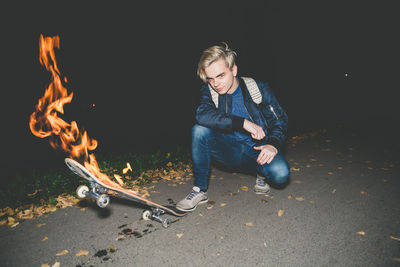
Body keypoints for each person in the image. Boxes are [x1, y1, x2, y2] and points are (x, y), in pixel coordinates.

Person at [176, 43, 290, 212]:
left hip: (258, 152)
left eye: (220, 76)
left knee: (281, 173)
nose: (215, 83)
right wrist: (242, 123)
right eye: (210, 78)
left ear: (234, 70)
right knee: (199, 130)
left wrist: (273, 143)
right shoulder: (210, 92)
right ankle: (200, 190)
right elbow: (202, 114)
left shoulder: (257, 88)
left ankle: (261, 174)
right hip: (229, 150)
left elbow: (280, 120)